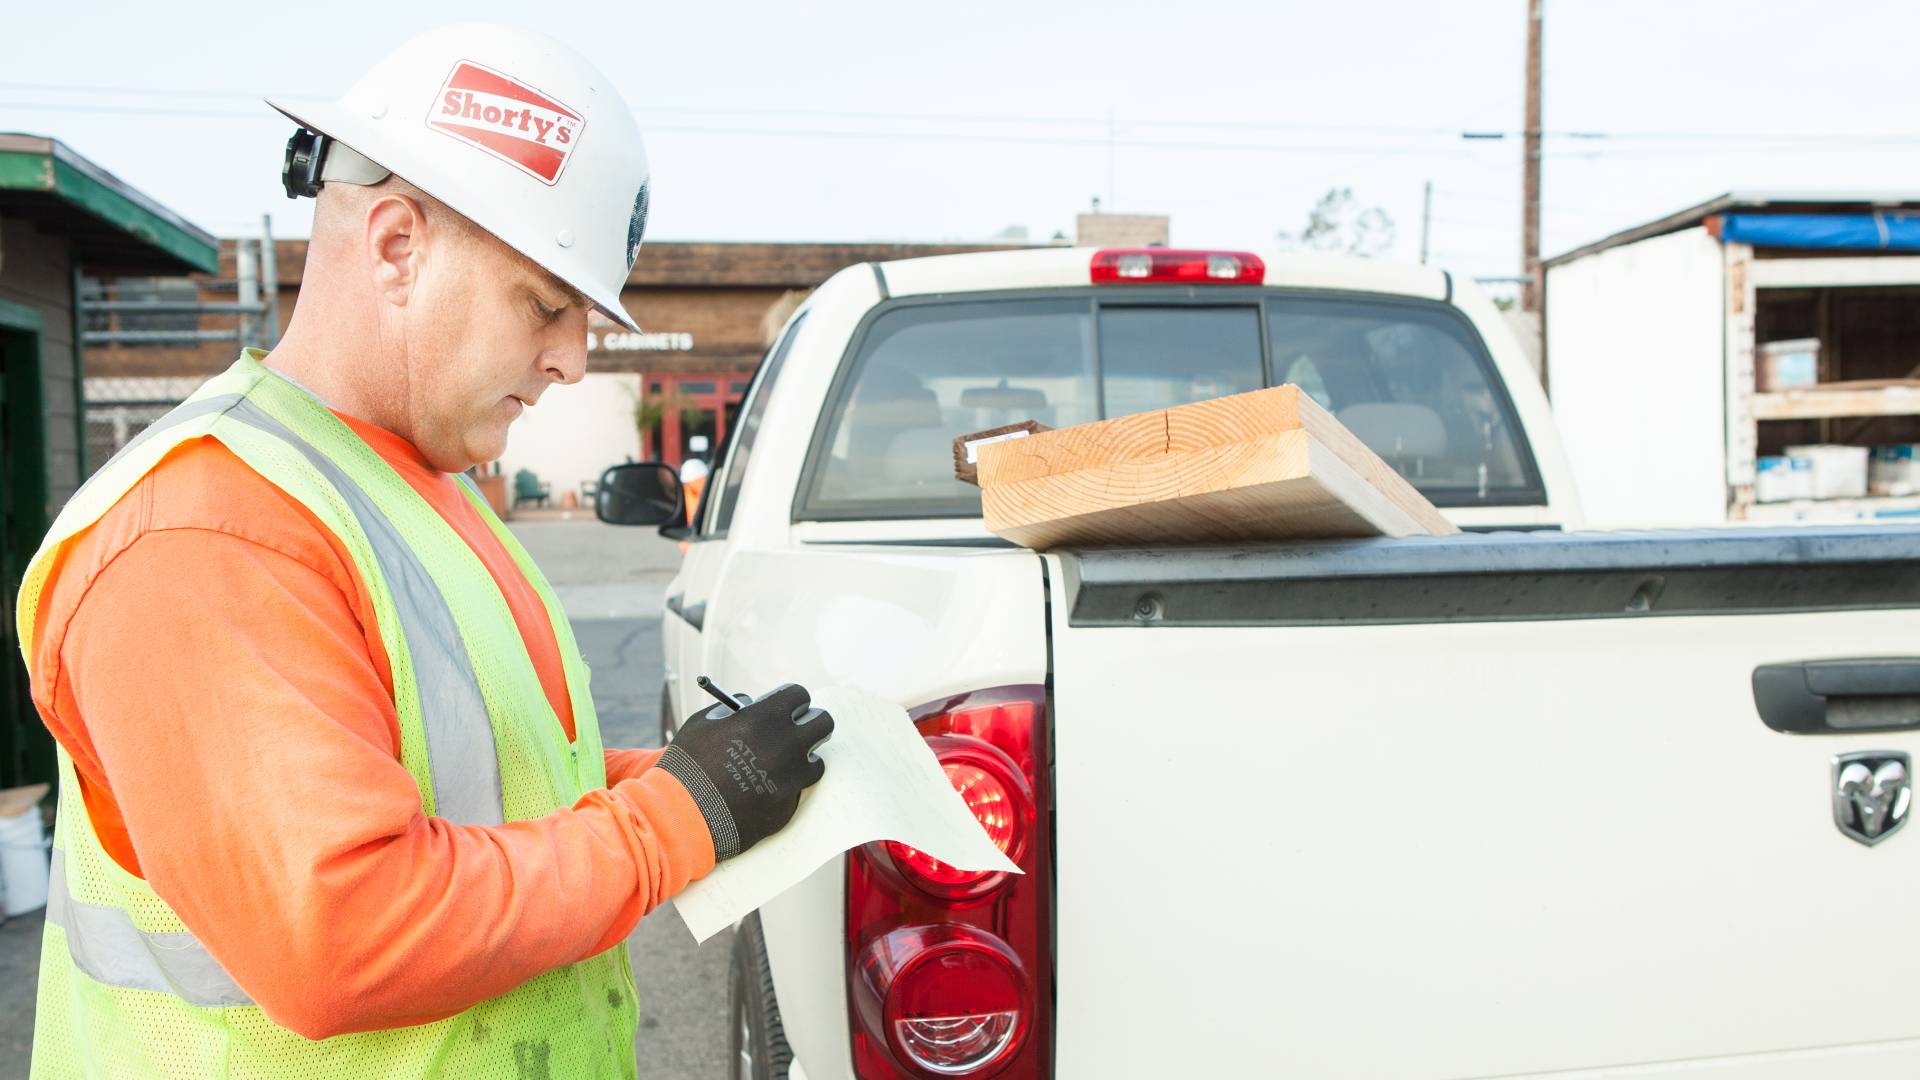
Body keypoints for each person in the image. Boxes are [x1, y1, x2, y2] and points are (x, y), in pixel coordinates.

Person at [19, 24, 832, 1079]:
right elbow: (343, 930)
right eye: (546, 305)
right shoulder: (201, 532)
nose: (575, 361)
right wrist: (679, 816)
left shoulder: (417, 488)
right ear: (398, 247)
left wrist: (714, 774)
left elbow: (502, 786)